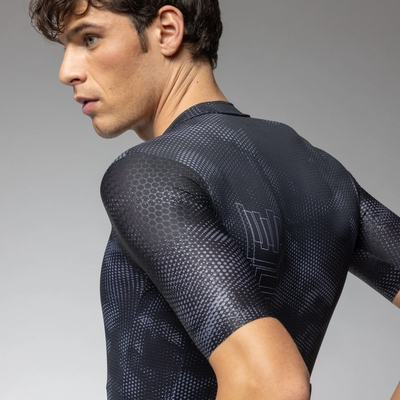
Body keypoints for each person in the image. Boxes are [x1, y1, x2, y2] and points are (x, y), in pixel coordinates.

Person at [29, 0, 400, 399]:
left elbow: (271, 383)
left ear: (167, 30)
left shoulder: (148, 174)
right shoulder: (324, 172)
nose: (67, 71)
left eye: (89, 38)